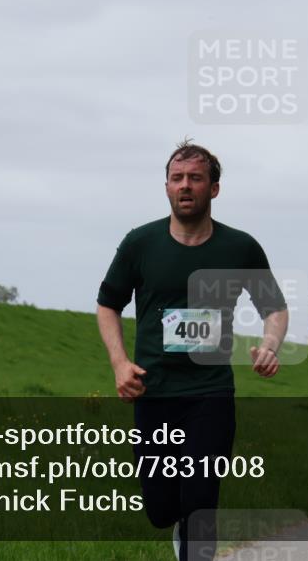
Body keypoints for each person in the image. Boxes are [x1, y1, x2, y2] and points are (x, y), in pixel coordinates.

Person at [96, 140, 288, 561]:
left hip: (210, 393)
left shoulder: (240, 248)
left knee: (200, 501)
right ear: (166, 186)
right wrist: (119, 364)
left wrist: (270, 345)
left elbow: (274, 309)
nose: (185, 186)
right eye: (177, 178)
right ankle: (178, 530)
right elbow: (108, 304)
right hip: (154, 392)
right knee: (162, 509)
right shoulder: (140, 243)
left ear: (214, 189)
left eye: (195, 178)